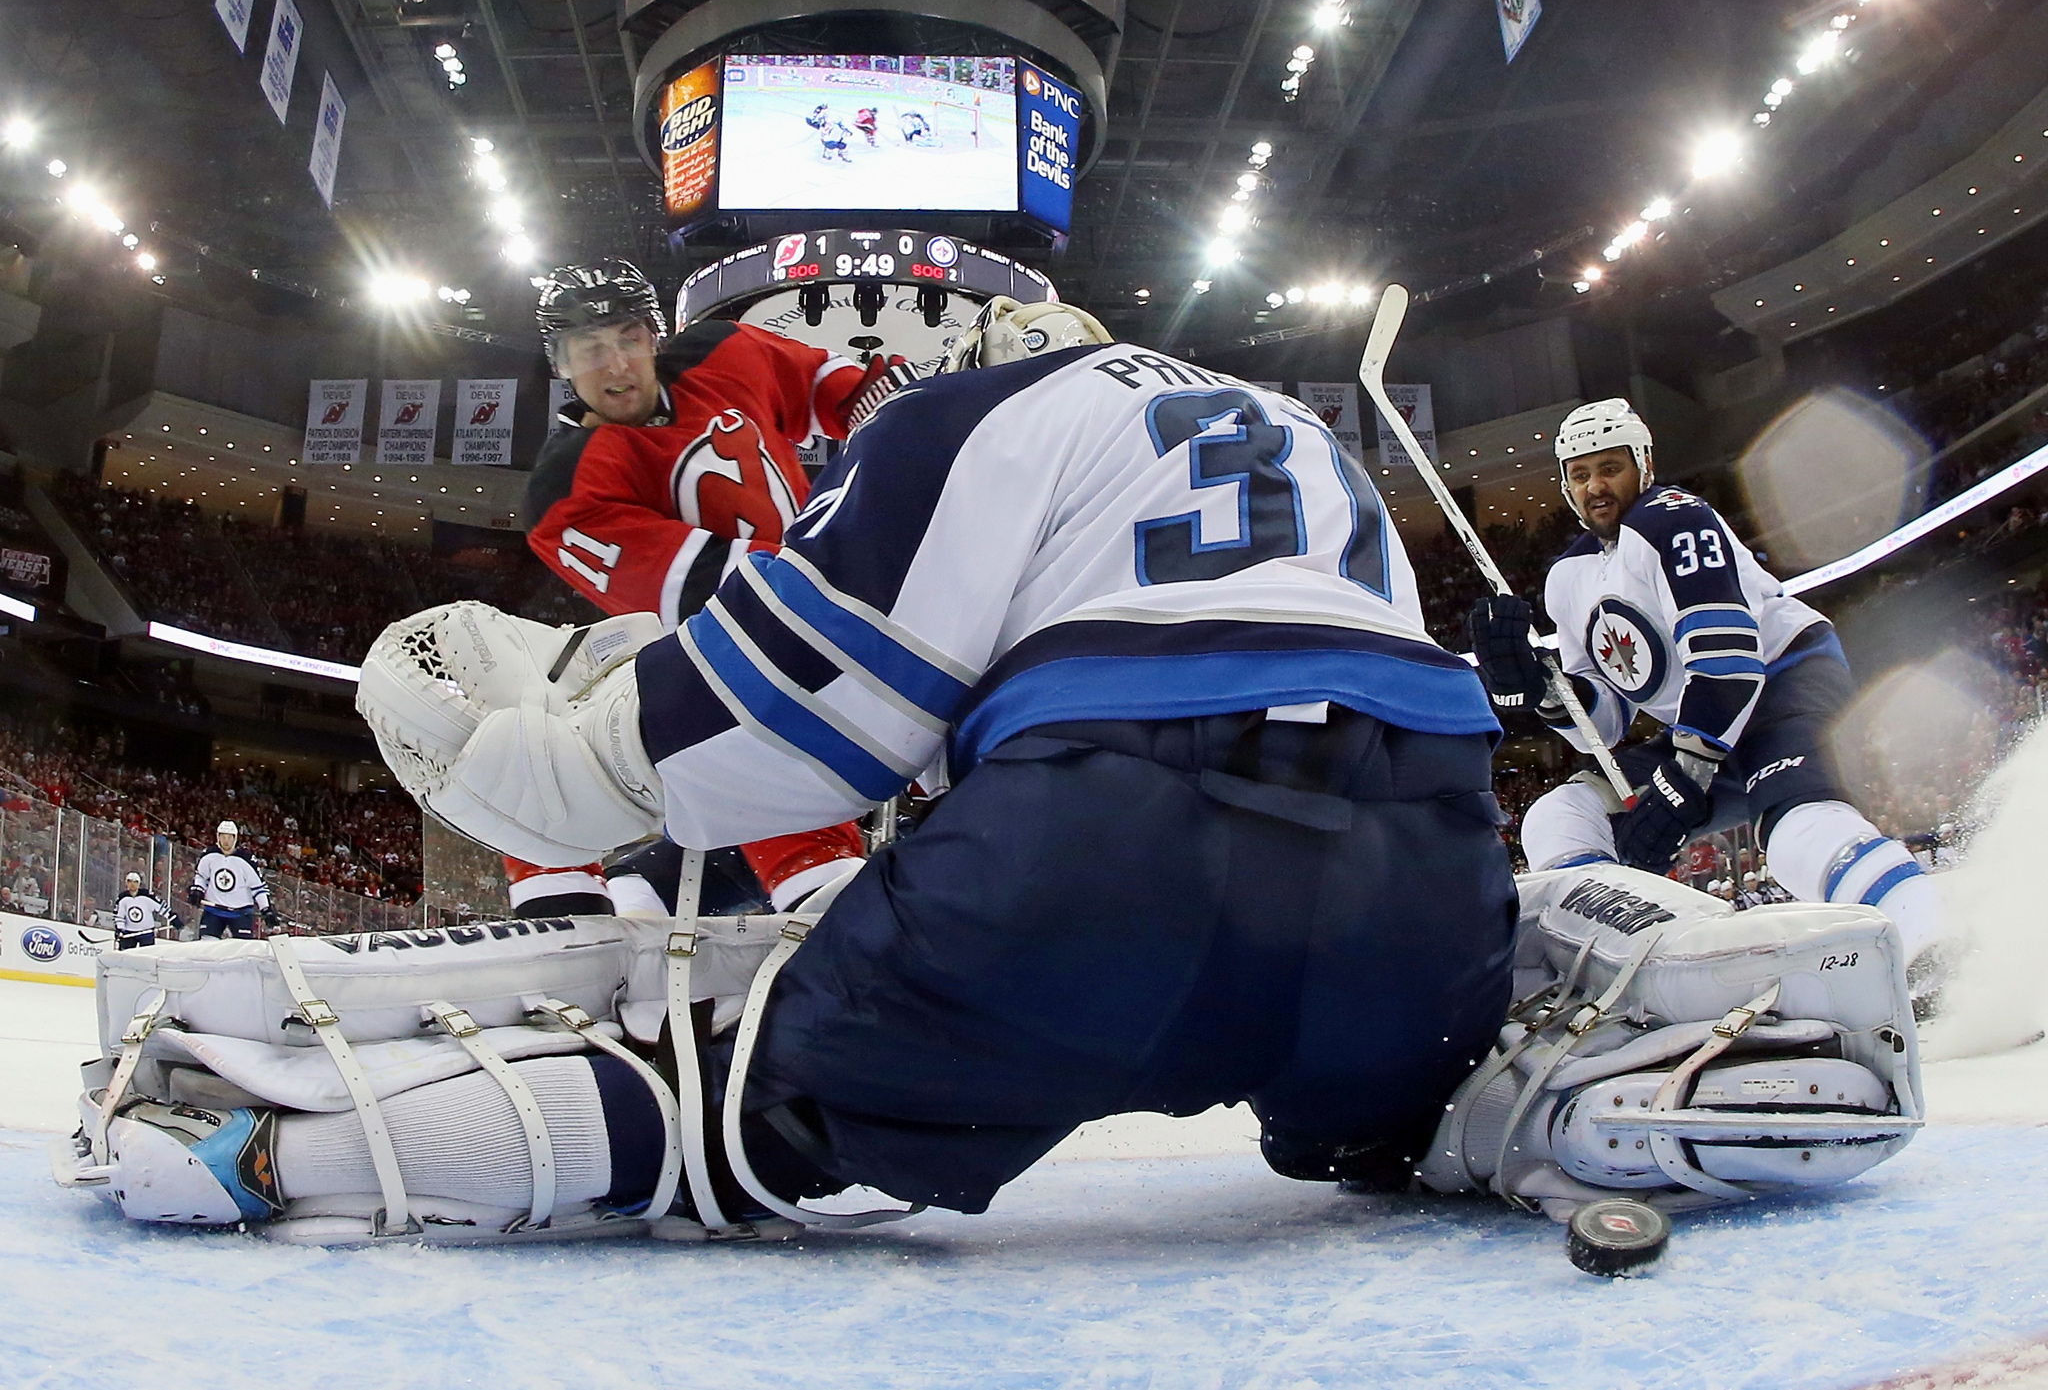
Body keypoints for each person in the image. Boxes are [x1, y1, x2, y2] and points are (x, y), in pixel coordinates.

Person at [352, 294, 1517, 1221]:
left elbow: (809, 700)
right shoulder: (1307, 432)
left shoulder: (979, 411)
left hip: (1111, 851)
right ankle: (1484, 1086)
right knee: (1382, 1119)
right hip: (1423, 871)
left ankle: (281, 1144)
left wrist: (585, 762)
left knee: (752, 1101)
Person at [1465, 398, 1951, 1008]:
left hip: (1779, 683)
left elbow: (1729, 662)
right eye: (1580, 474)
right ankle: (1619, 972)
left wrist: (1682, 779)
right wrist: (1540, 688)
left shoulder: (1675, 519)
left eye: (1610, 467)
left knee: (1799, 827)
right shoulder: (1568, 577)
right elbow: (1607, 721)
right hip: (1701, 726)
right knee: (1557, 816)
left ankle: (1938, 949)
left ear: (1643, 464)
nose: (1595, 486)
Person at [518, 260, 911, 916]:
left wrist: (910, 416)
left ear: (655, 336)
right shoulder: (566, 486)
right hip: (728, 656)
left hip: (831, 613)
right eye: (591, 349)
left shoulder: (727, 350)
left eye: (628, 338)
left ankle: (669, 893)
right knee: (535, 731)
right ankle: (568, 915)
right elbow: (708, 589)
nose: (616, 364)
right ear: (561, 364)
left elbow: (826, 385)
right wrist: (852, 560)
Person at [188, 820, 276, 939]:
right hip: (213, 910)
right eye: (223, 836)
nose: (226, 840)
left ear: (235, 838)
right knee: (206, 946)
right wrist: (197, 889)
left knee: (242, 951)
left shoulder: (246, 859)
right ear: (217, 837)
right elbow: (201, 876)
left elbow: (258, 887)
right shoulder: (209, 854)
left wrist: (266, 909)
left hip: (241, 913)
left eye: (229, 837)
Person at [112, 871, 176, 949]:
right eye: (129, 881)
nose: (132, 884)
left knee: (147, 955)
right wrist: (120, 929)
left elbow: (161, 907)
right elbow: (119, 916)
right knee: (127, 956)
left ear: (139, 883)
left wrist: (173, 918)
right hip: (129, 932)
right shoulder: (122, 898)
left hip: (146, 932)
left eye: (135, 882)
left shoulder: (147, 896)